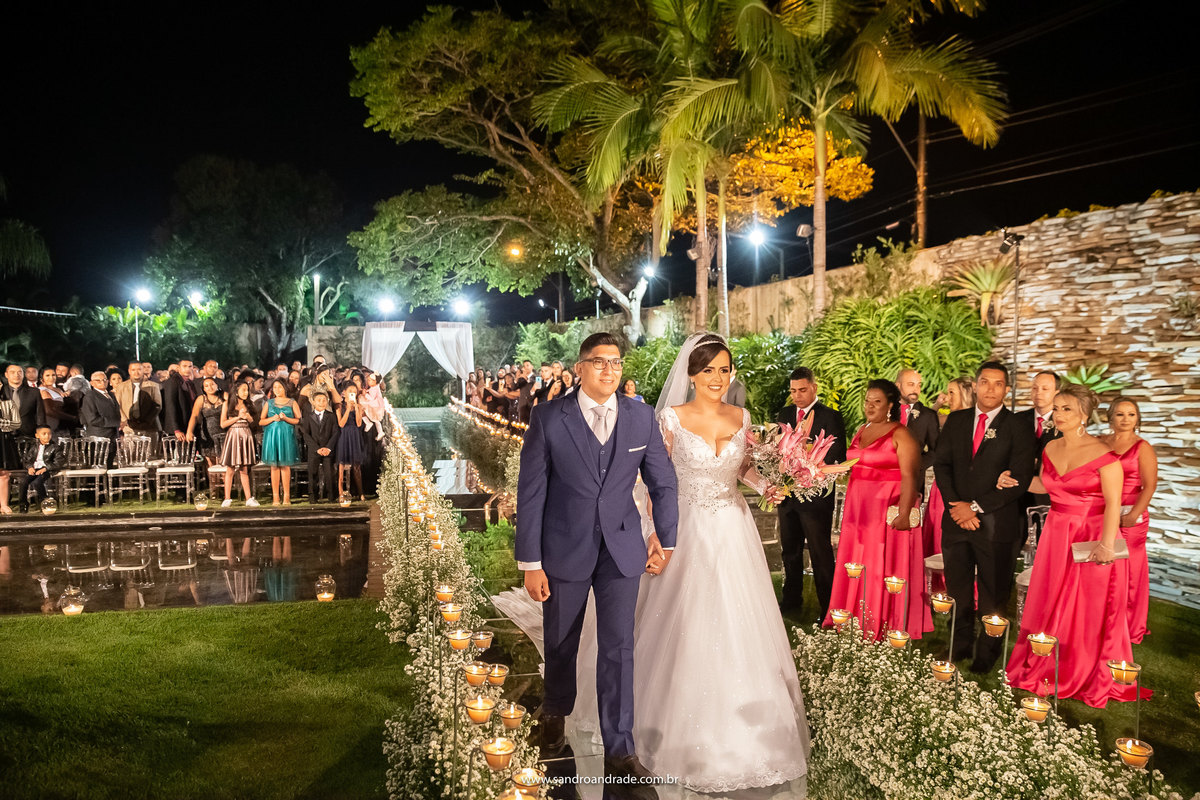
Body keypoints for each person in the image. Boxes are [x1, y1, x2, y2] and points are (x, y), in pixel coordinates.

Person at [512, 332, 680, 787]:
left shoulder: (641, 417)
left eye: (616, 362)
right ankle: (554, 713)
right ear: (580, 368)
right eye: (600, 361)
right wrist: (531, 562)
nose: (610, 370)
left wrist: (666, 540)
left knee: (618, 648)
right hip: (562, 548)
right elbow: (531, 493)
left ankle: (620, 748)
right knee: (560, 640)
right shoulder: (549, 417)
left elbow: (663, 482)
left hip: (622, 550)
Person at [1003, 385, 1152, 707]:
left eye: (1066, 408)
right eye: (1056, 408)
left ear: (1084, 414)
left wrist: (1107, 545)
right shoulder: (1050, 447)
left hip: (1092, 535)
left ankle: (1080, 669)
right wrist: (1014, 481)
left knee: (1087, 607)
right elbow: (1047, 485)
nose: (1058, 414)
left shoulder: (1105, 455)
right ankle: (1044, 658)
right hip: (1056, 534)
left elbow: (1113, 504)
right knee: (1050, 597)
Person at [933, 361, 1034, 672]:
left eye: (998, 383)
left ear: (1007, 389)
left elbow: (1020, 479)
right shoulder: (957, 420)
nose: (991, 389)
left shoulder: (1018, 426)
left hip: (996, 524)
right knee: (958, 589)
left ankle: (986, 654)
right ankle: (958, 644)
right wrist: (956, 506)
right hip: (956, 521)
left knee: (993, 592)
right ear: (975, 385)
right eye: (985, 382)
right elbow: (942, 465)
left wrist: (975, 507)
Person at [824, 379, 927, 641]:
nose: (870, 406)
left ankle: (879, 619)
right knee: (857, 560)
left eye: (877, 402)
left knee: (880, 562)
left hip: (885, 509)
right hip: (858, 509)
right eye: (867, 401)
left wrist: (904, 513)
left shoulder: (901, 434)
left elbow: (910, 477)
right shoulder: (862, 429)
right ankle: (851, 614)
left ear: (890, 405)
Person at [777, 366, 847, 622]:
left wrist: (807, 461)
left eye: (802, 390)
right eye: (793, 391)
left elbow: (837, 454)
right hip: (787, 496)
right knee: (790, 551)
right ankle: (791, 599)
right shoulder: (785, 414)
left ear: (814, 388)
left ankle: (827, 606)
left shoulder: (831, 416)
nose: (797, 395)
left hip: (816, 499)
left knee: (820, 553)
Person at [1100, 396, 1157, 644]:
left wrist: (1133, 514)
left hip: (1130, 515)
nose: (1125, 419)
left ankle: (1130, 625)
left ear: (1137, 418)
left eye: (1131, 414)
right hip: (1102, 512)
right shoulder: (1100, 442)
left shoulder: (1142, 447)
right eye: (1120, 414)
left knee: (1130, 572)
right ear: (1110, 417)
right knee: (1104, 568)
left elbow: (1150, 485)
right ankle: (1102, 620)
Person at [922, 377, 974, 590]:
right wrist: (937, 404)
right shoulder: (948, 419)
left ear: (965, 394)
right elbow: (925, 419)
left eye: (952, 392)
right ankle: (936, 588)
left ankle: (955, 587)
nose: (948, 396)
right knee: (936, 533)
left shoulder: (975, 421)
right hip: (940, 487)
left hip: (963, 488)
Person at [218, 382, 259, 508]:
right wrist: (238, 417)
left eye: (247, 390)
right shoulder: (227, 404)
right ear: (236, 391)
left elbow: (254, 423)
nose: (246, 392)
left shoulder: (249, 404)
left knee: (244, 469)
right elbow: (223, 424)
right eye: (243, 390)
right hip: (233, 435)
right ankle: (227, 498)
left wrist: (248, 417)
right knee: (230, 468)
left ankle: (248, 498)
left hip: (246, 435)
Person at [896, 369, 938, 491]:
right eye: (911, 384)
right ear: (898, 386)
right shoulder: (885, 411)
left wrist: (918, 465)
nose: (916, 389)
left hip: (913, 483)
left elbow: (936, 450)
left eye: (919, 385)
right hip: (882, 481)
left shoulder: (928, 415)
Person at [260, 379, 300, 505]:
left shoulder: (292, 402)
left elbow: (298, 419)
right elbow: (261, 421)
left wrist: (286, 418)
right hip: (272, 437)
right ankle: (275, 497)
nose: (277, 389)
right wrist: (272, 418)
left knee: (285, 466)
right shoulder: (269, 403)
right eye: (275, 387)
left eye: (280, 387)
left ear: (285, 388)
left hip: (286, 436)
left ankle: (286, 496)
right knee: (274, 467)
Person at [300, 391, 340, 503]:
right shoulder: (308, 416)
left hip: (328, 449)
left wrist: (328, 448)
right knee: (312, 473)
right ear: (313, 402)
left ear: (327, 401)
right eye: (319, 400)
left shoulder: (331, 416)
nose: (321, 402)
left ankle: (331, 496)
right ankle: (313, 496)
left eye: (324, 400)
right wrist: (316, 448)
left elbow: (336, 433)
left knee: (329, 473)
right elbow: (306, 434)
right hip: (314, 449)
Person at [17, 425, 65, 512]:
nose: (47, 436)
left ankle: (44, 501)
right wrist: (30, 467)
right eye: (44, 434)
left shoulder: (55, 447)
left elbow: (59, 462)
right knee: (23, 482)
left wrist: (46, 468)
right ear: (37, 435)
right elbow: (27, 460)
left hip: (47, 470)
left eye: (49, 434)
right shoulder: (34, 447)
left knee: (37, 482)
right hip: (35, 469)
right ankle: (23, 504)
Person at [79, 372, 121, 465]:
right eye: (98, 380)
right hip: (98, 439)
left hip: (112, 437)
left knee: (110, 466)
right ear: (91, 383)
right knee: (99, 466)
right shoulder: (90, 396)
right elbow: (92, 419)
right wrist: (116, 422)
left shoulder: (111, 395)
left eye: (104, 380)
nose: (102, 382)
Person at [114, 361, 163, 438]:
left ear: (143, 370)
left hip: (150, 427)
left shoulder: (154, 386)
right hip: (128, 428)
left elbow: (157, 405)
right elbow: (117, 405)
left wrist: (146, 421)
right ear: (129, 371)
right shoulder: (121, 387)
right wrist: (125, 420)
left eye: (139, 369)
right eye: (133, 370)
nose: (136, 372)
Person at [185, 377, 226, 465]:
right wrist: (189, 431)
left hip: (223, 433)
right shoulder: (201, 399)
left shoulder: (224, 396)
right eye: (206, 386)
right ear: (203, 389)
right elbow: (194, 416)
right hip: (207, 434)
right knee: (211, 463)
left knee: (224, 462)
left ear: (217, 385)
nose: (210, 387)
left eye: (212, 384)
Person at [336, 384, 366, 500]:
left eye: (354, 391)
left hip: (355, 436)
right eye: (350, 391)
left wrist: (356, 408)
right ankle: (341, 493)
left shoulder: (359, 406)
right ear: (344, 393)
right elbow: (341, 424)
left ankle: (361, 492)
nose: (352, 392)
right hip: (344, 436)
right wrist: (348, 409)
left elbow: (359, 423)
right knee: (341, 466)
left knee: (356, 466)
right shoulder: (340, 407)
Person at [3, 363, 45, 437]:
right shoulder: (2, 391)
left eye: (19, 372)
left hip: (28, 434)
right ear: (6, 375)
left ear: (23, 374)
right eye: (12, 372)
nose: (16, 375)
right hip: (4, 434)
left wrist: (41, 432)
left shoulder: (34, 392)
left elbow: (40, 415)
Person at [39, 367, 76, 436]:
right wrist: (72, 418)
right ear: (41, 378)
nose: (51, 378)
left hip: (61, 424)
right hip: (51, 424)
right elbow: (49, 411)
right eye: (47, 375)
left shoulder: (57, 389)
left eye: (53, 375)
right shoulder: (43, 390)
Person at [361, 372, 387, 440]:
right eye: (368, 380)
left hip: (374, 404)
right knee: (375, 420)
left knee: (362, 407)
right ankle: (380, 431)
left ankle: (369, 423)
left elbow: (371, 398)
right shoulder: (375, 387)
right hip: (376, 404)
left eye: (370, 380)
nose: (368, 381)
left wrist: (365, 394)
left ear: (375, 381)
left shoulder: (373, 389)